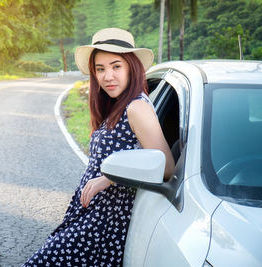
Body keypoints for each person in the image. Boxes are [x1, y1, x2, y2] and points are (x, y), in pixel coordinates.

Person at [23, 28, 175, 267]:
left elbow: (166, 165)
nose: (107, 77)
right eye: (100, 69)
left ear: (131, 67)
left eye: (116, 66)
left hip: (103, 223)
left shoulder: (137, 107)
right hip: (90, 215)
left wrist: (108, 179)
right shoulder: (117, 104)